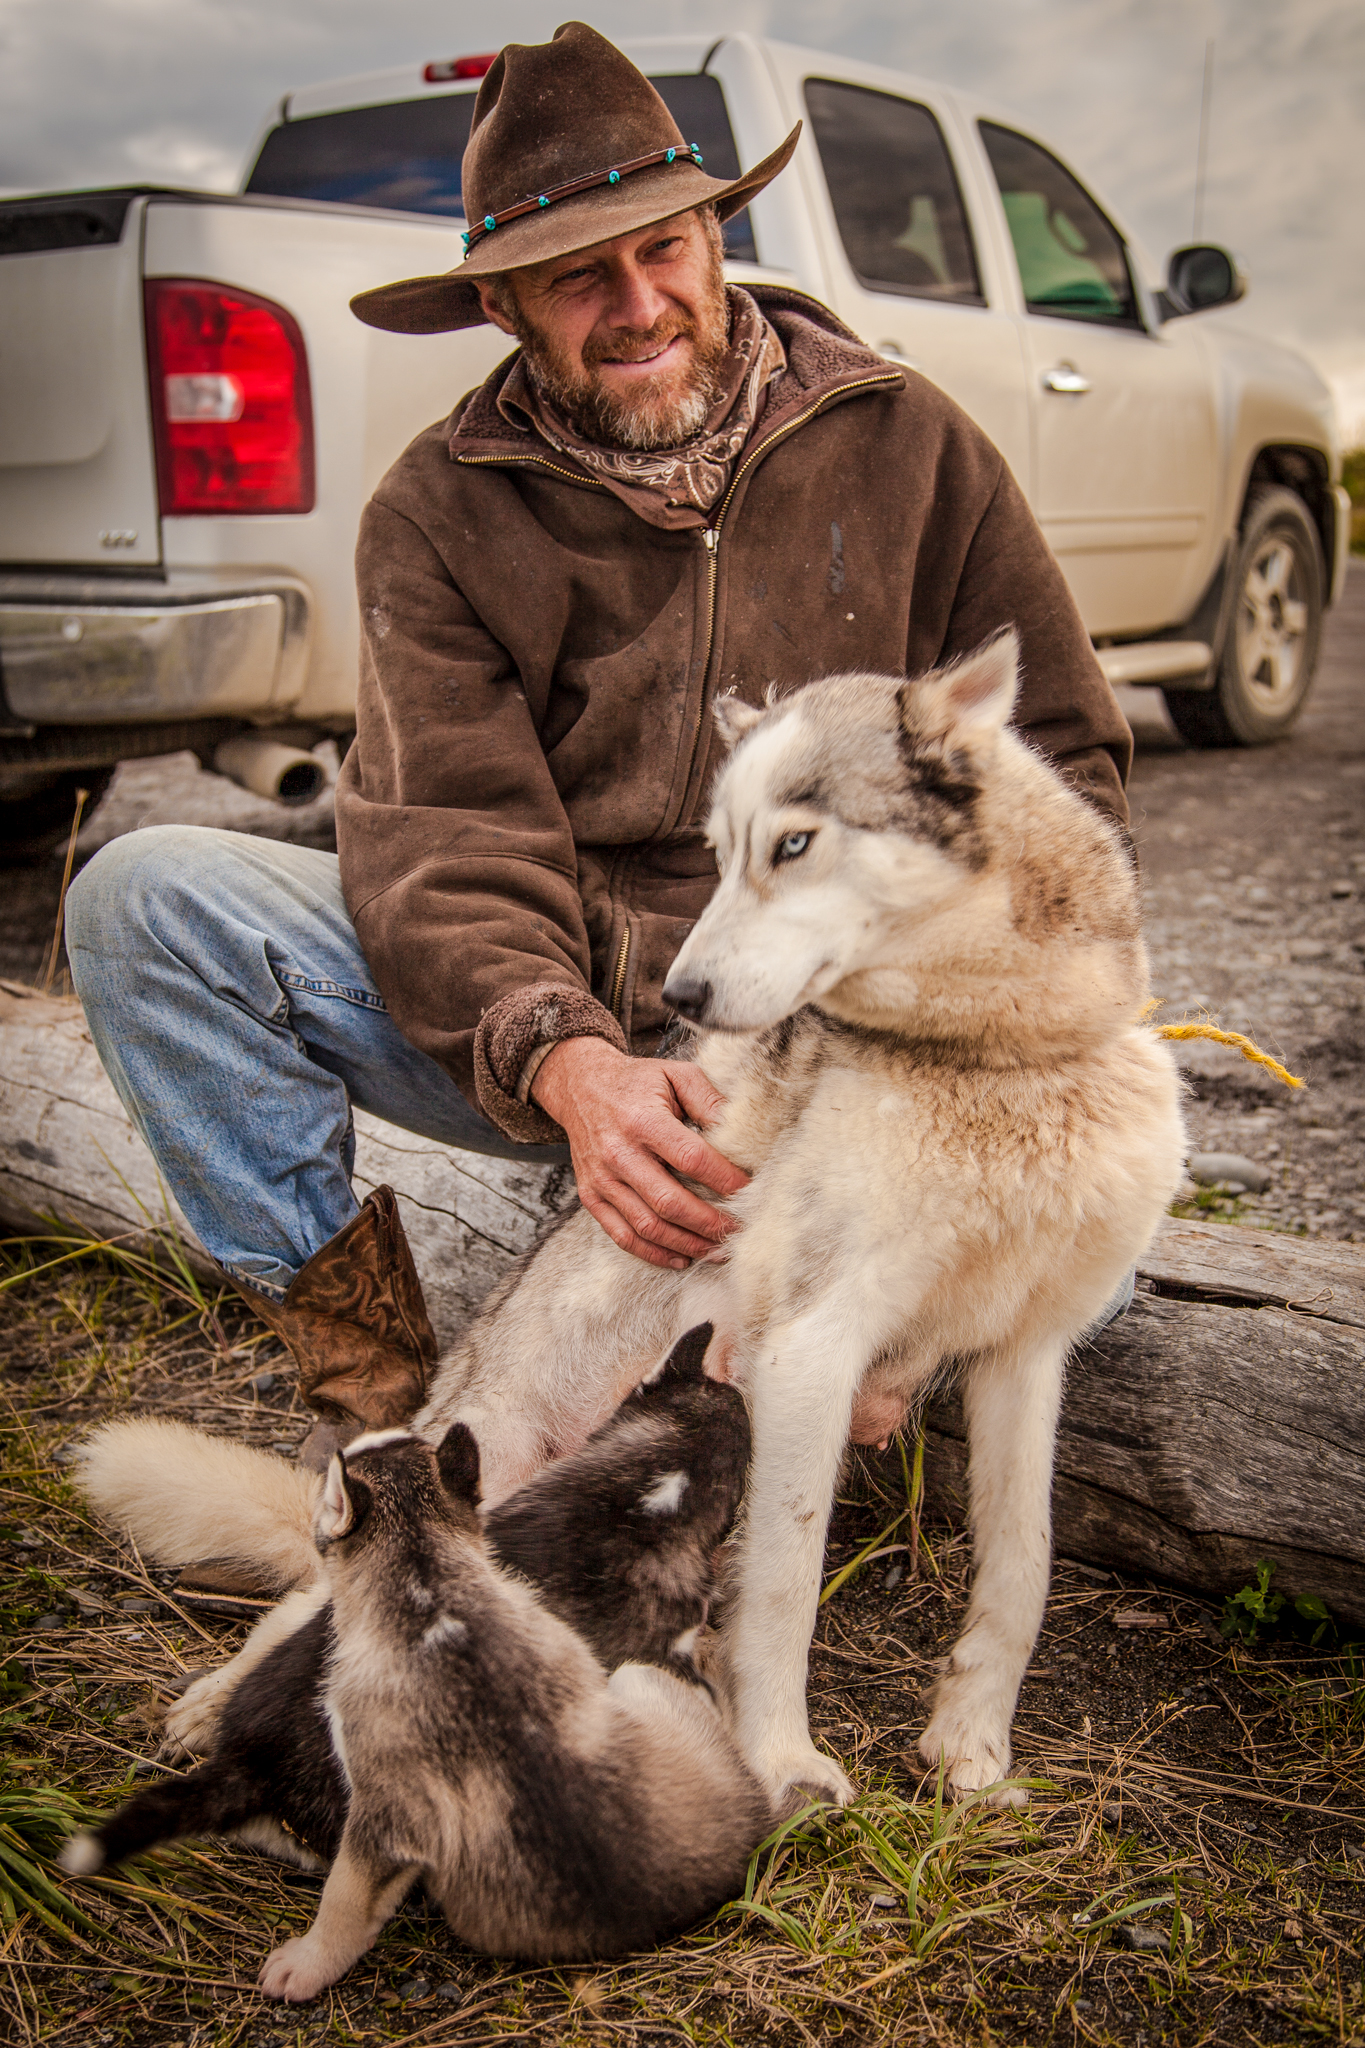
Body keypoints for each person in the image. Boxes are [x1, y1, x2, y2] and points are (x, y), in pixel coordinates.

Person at [66, 23, 1134, 1467]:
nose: (638, 306)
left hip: (836, 1038)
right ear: (500, 304)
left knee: (1102, 1251)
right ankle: (377, 1417)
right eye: (578, 276)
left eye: (663, 250)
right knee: (145, 901)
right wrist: (571, 1067)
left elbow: (1061, 771)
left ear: (716, 234)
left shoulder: (911, 445)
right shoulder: (435, 512)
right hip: (556, 1015)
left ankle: (801, 1366)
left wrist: (911, 1058)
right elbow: (445, 838)